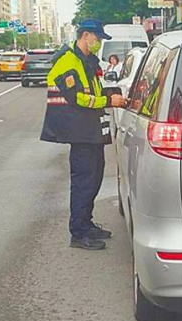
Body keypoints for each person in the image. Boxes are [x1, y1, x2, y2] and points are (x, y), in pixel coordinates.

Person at [40, 19, 127, 251]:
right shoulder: (67, 61)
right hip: (78, 131)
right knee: (83, 183)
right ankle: (78, 233)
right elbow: (77, 97)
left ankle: (87, 224)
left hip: (90, 130)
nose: (99, 43)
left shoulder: (85, 61)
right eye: (97, 38)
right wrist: (109, 100)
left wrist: (114, 93)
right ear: (86, 35)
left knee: (94, 178)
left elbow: (93, 90)